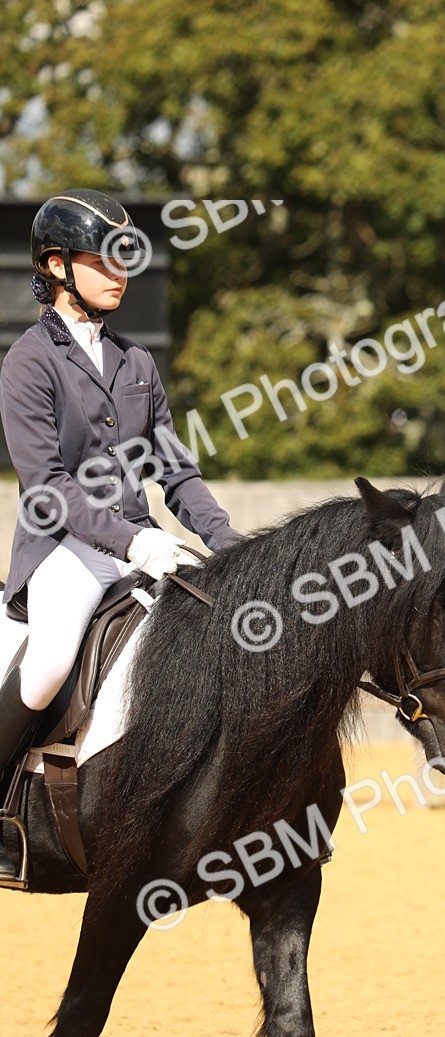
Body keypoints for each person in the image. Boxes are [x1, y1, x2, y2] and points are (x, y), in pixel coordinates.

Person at [0, 188, 244, 879]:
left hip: (142, 543)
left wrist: (230, 548)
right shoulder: (28, 361)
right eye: (101, 260)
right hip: (63, 549)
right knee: (48, 664)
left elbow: (177, 473)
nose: (119, 273)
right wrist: (131, 540)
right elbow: (46, 485)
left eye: (124, 260)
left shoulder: (137, 362)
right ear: (55, 265)